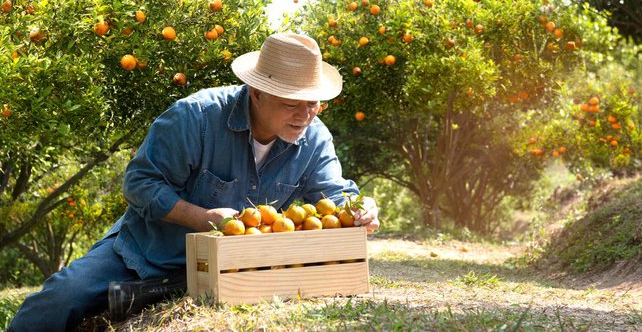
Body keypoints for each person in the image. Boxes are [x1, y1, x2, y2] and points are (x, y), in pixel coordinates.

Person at [8, 32, 380, 331]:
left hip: (236, 267)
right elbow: (139, 183)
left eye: (313, 102)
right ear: (257, 91)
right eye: (292, 103)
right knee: (61, 296)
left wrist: (362, 210)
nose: (306, 114)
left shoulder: (313, 136)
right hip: (148, 255)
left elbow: (336, 195)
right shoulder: (196, 117)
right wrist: (201, 218)